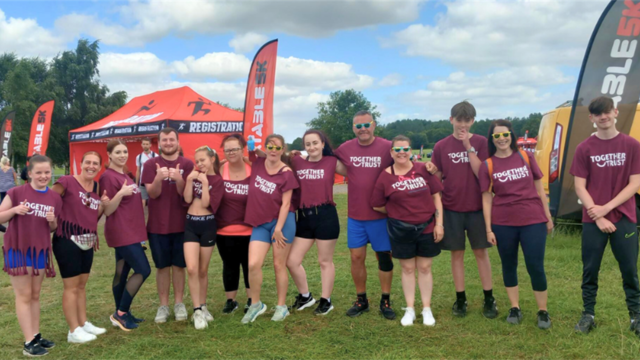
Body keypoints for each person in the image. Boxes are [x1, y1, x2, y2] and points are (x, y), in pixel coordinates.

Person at [571, 96, 640, 335]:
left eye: (607, 112)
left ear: (615, 112)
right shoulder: (584, 148)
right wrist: (598, 216)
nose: (603, 117)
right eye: (598, 114)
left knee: (630, 269)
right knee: (590, 269)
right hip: (593, 220)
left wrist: (606, 209)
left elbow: (634, 184)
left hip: (624, 217)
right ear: (591, 118)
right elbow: (580, 186)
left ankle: (636, 316)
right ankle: (588, 314)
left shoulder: (632, 145)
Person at [479, 119, 553, 329]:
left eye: (505, 134)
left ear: (511, 135)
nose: (502, 139)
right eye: (497, 136)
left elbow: (540, 188)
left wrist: (547, 216)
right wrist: (488, 228)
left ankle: (543, 311)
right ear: (492, 139)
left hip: (533, 219)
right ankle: (514, 307)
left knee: (535, 266)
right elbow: (486, 198)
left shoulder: (525, 156)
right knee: (508, 264)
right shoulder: (488, 164)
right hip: (503, 222)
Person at [431, 101, 497, 318]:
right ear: (451, 120)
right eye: (459, 120)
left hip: (478, 208)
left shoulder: (481, 142)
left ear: (473, 121)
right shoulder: (441, 146)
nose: (462, 125)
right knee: (456, 255)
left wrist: (468, 146)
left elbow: (483, 174)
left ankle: (489, 298)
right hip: (452, 209)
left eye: (467, 121)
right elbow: (437, 180)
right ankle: (460, 299)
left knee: (481, 253)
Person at [372, 135, 444, 326]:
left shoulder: (423, 169)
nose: (401, 152)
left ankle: (426, 309)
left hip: (427, 226)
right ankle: (410, 309)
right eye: (397, 149)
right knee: (408, 268)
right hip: (401, 230)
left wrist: (439, 223)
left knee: (425, 268)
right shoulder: (385, 176)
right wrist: (397, 212)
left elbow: (436, 196)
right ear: (391, 152)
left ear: (410, 151)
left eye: (405, 149)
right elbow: (377, 205)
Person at [1, 155, 61, 357]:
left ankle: (35, 335)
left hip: (40, 250)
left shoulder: (54, 197)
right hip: (17, 249)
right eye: (39, 172)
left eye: (47, 172)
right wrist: (15, 210)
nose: (44, 176)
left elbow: (53, 228)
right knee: (24, 296)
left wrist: (52, 221)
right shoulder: (16, 192)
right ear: (30, 173)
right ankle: (28, 343)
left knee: (35, 295)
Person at [241, 134, 299, 323]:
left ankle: (281, 307)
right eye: (270, 147)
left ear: (283, 150)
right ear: (265, 148)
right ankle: (256, 304)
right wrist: (253, 147)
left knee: (278, 264)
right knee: (253, 264)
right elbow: (250, 151)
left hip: (282, 223)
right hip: (260, 222)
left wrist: (279, 229)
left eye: (277, 148)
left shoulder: (286, 172)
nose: (273, 151)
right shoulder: (258, 162)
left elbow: (286, 203)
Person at [287, 130, 345, 315]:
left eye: (315, 143)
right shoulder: (296, 161)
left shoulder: (332, 162)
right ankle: (306, 296)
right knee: (292, 261)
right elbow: (275, 160)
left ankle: (326, 300)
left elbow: (357, 172)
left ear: (322, 144)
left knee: (324, 261)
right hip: (303, 217)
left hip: (326, 215)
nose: (311, 147)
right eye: (308, 144)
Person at [51, 151, 106, 343]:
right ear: (80, 164)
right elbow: (48, 199)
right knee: (71, 287)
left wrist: (103, 206)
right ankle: (73, 330)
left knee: (82, 286)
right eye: (88, 162)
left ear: (100, 167)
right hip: (67, 239)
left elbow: (92, 215)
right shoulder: (66, 181)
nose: (91, 166)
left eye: (95, 163)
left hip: (87, 240)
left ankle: (83, 323)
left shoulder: (96, 186)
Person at [141, 128, 194, 323]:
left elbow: (186, 195)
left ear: (178, 142)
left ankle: (179, 303)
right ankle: (163, 306)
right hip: (157, 226)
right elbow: (152, 194)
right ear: (159, 143)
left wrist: (179, 179)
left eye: (172, 140)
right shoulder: (150, 164)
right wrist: (158, 178)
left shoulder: (188, 164)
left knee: (179, 266)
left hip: (182, 225)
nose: (168, 143)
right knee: (162, 267)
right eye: (165, 140)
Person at [100, 139, 152, 331]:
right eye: (118, 152)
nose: (122, 155)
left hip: (132, 230)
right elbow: (108, 210)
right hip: (122, 231)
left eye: (125, 151)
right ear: (110, 155)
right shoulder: (108, 177)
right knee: (143, 270)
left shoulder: (125, 175)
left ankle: (123, 312)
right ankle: (120, 312)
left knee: (121, 272)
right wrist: (120, 193)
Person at [183, 146, 223, 329]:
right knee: (191, 268)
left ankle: (204, 305)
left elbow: (207, 203)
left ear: (212, 159)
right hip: (191, 224)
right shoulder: (193, 176)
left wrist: (205, 183)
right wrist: (190, 181)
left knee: (202, 270)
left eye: (203, 160)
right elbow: (187, 198)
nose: (199, 164)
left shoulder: (217, 180)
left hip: (208, 225)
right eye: (197, 161)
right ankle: (197, 310)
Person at [216, 134, 252, 314]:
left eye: (235, 149)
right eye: (227, 149)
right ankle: (231, 301)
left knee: (249, 265)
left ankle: (252, 299)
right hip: (224, 230)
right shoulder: (220, 169)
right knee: (229, 265)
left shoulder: (252, 168)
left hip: (250, 229)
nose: (231, 153)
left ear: (242, 149)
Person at [135, 138, 157, 206]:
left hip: (153, 182)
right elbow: (138, 170)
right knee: (142, 202)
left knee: (153, 201)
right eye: (144, 144)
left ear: (150, 145)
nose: (145, 146)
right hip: (142, 182)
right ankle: (142, 216)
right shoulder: (139, 157)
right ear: (141, 145)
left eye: (147, 144)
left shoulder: (155, 156)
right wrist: (136, 183)